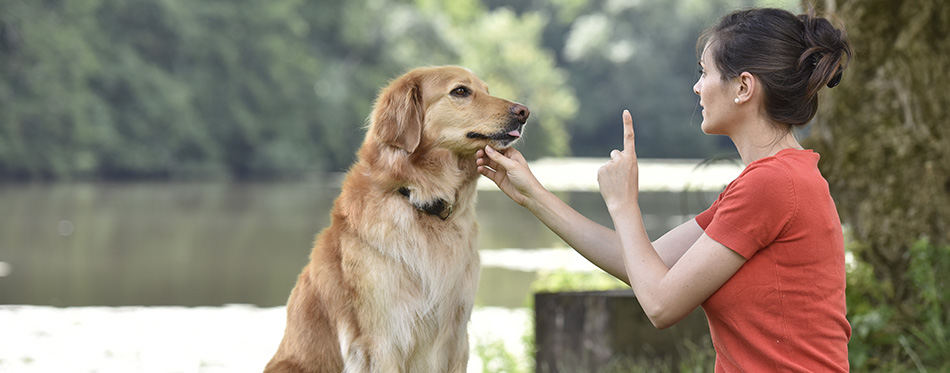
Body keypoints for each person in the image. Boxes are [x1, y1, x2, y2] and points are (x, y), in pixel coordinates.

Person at [475, 7, 854, 372]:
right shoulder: (775, 180)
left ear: (743, 87)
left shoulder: (772, 185)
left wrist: (624, 205)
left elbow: (660, 304)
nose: (697, 87)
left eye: (704, 73)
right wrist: (532, 195)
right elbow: (644, 265)